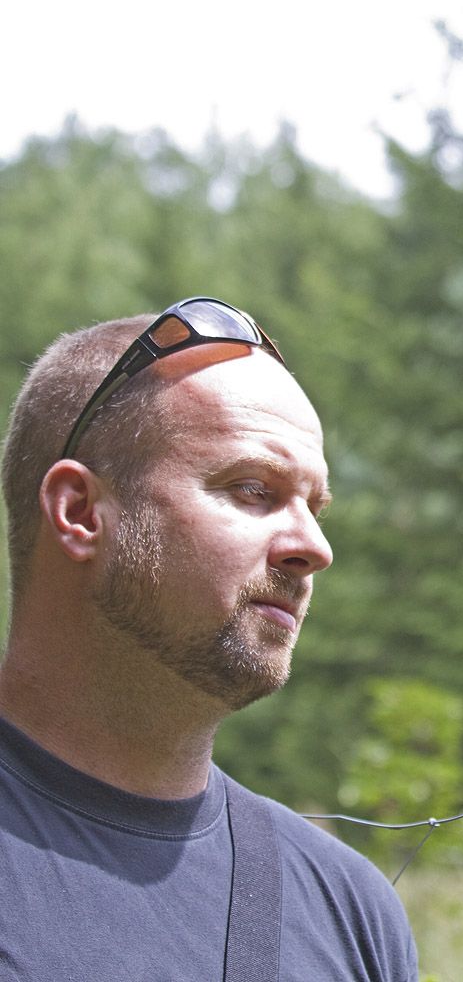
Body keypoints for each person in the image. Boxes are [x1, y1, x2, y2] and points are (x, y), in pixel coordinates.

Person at [0, 299, 419, 980]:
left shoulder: (350, 912)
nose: (313, 548)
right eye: (253, 490)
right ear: (80, 513)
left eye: (314, 509)